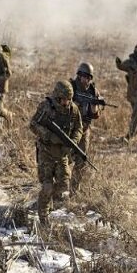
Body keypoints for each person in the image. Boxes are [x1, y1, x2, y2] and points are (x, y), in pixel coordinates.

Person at [30, 80, 83, 226]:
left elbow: (79, 128)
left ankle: (47, 200)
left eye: (69, 99)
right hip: (46, 152)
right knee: (47, 186)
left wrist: (72, 142)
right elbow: (33, 124)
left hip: (62, 154)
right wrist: (48, 135)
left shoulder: (73, 110)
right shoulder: (46, 107)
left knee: (63, 185)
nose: (67, 102)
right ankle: (43, 217)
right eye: (64, 99)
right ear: (58, 97)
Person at [70, 62, 101, 193]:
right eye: (85, 77)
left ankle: (73, 190)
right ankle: (57, 187)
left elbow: (95, 115)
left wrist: (94, 106)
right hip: (69, 129)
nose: (87, 80)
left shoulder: (93, 91)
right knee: (64, 159)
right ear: (79, 75)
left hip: (84, 130)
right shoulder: (71, 87)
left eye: (89, 77)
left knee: (81, 160)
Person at [115, 44, 137, 141]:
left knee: (135, 113)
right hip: (132, 93)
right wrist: (118, 63)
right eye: (135, 50)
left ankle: (130, 134)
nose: (136, 52)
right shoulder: (129, 62)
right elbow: (122, 66)